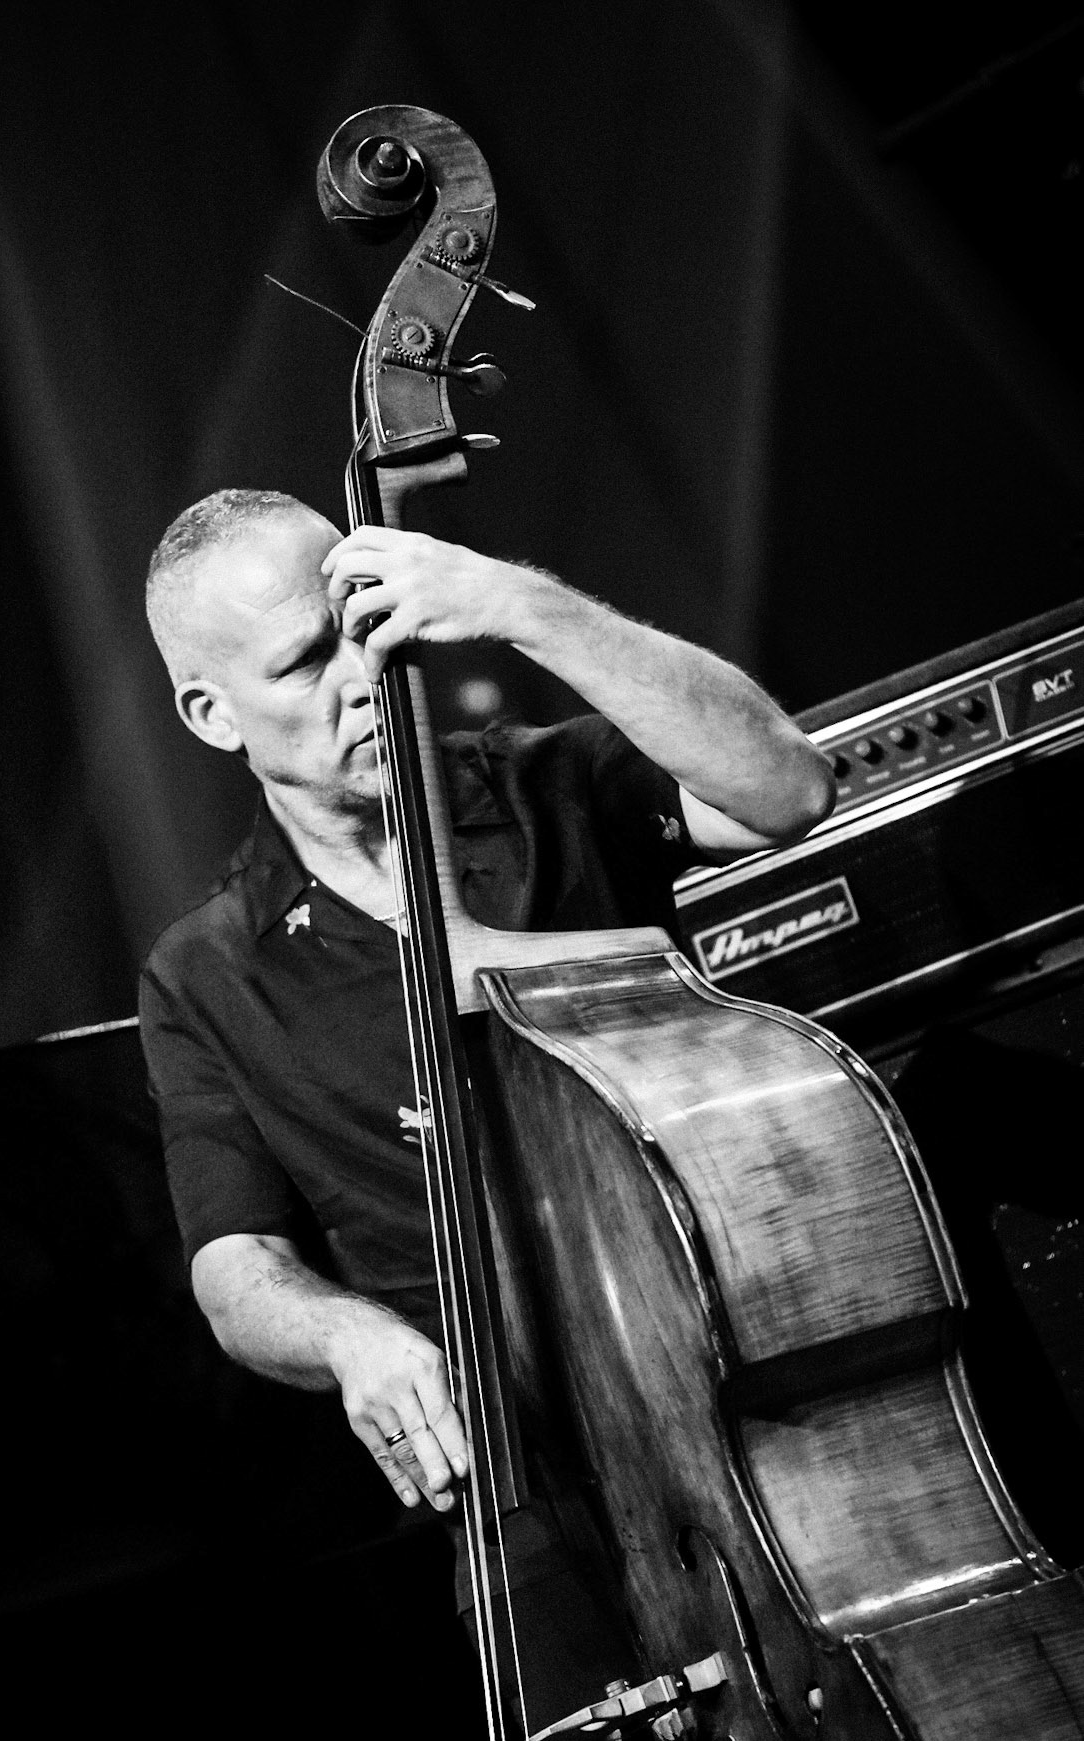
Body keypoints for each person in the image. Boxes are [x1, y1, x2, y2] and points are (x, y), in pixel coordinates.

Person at [138, 488, 835, 1525]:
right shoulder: (205, 973)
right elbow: (237, 1262)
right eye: (301, 662)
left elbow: (788, 789)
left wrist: (522, 604)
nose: (362, 678)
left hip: (763, 1377)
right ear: (211, 712)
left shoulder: (546, 780)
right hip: (520, 1480)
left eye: (361, 624)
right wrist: (345, 1333)